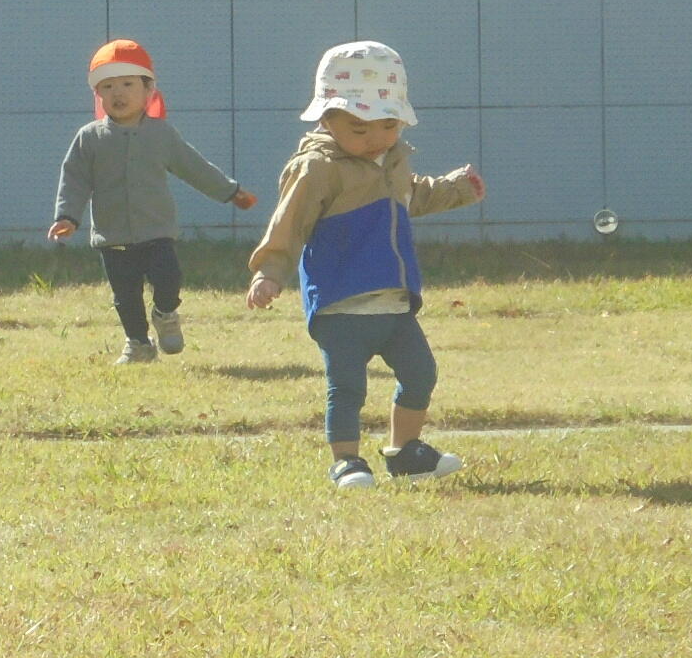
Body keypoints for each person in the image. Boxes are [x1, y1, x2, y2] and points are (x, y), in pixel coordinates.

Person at [245, 41, 484, 488]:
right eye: (358, 128)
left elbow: (415, 195)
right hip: (341, 304)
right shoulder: (317, 168)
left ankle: (405, 452)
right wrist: (270, 271)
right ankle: (347, 461)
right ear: (326, 118)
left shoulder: (391, 162)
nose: (374, 137)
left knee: (420, 373)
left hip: (394, 302)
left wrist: (458, 188)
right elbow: (289, 222)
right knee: (348, 387)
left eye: (387, 124)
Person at [49, 39, 258, 364]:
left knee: (168, 278)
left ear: (149, 91)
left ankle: (165, 313)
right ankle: (138, 344)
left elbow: (194, 167)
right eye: (108, 86)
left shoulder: (161, 135)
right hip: (113, 235)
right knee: (126, 296)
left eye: (128, 84)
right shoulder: (89, 138)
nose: (118, 93)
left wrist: (230, 191)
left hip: (156, 231)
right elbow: (74, 179)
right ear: (99, 95)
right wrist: (67, 217)